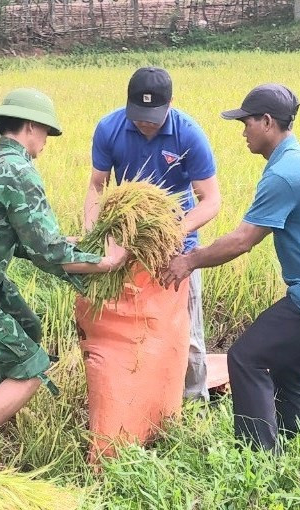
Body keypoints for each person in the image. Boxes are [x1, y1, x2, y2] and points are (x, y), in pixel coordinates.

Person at [0, 88, 129, 461]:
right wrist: (107, 262)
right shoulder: (19, 170)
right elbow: (48, 253)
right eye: (46, 132)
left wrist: (67, 243)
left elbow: (3, 235)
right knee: (31, 367)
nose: (46, 142)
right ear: (31, 127)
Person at [162, 84, 300, 452]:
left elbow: (243, 240)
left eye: (246, 122)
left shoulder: (285, 173)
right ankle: (299, 446)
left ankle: (258, 456)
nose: (242, 131)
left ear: (268, 122)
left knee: (246, 358)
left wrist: (189, 260)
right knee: (287, 368)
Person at [83, 66, 221, 401]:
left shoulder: (188, 135)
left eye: (153, 116)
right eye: (139, 115)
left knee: (186, 331)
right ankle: (136, 397)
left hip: (176, 248)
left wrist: (172, 231)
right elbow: (96, 186)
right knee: (126, 327)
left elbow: (211, 199)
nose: (145, 122)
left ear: (170, 104)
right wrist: (93, 235)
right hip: (125, 244)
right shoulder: (109, 128)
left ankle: (194, 401)